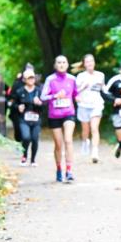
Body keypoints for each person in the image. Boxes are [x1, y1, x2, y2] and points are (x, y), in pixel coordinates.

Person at [40, 55, 79, 183]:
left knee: (68, 140)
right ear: (55, 65)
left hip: (69, 113)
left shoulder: (72, 79)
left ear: (67, 65)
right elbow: (43, 97)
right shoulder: (50, 79)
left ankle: (69, 170)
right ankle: (58, 169)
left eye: (63, 62)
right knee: (58, 144)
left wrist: (78, 98)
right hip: (54, 115)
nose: (61, 64)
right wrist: (54, 96)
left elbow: (76, 94)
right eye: (59, 62)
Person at [75, 53, 106, 163]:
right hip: (83, 105)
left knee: (94, 128)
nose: (90, 63)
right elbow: (75, 92)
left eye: (91, 61)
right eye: (87, 61)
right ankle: (85, 141)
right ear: (84, 64)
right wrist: (83, 87)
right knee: (85, 130)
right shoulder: (80, 76)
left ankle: (95, 152)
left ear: (94, 62)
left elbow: (104, 89)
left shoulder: (100, 75)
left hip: (96, 105)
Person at [11, 69, 43, 166]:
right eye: (29, 78)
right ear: (24, 79)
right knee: (26, 137)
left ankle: (33, 160)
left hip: (36, 119)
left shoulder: (39, 91)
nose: (31, 79)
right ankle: (24, 156)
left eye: (32, 77)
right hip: (24, 119)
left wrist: (40, 103)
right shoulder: (19, 91)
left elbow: (45, 105)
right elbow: (13, 104)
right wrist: (18, 107)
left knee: (34, 138)